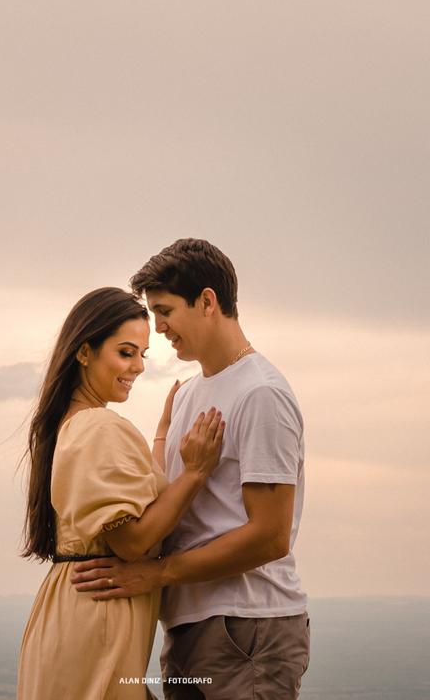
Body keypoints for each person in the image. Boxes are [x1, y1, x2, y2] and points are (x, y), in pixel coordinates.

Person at [71, 240, 309, 700]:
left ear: (207, 301)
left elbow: (271, 536)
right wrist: (162, 434)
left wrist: (155, 575)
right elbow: (164, 498)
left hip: (248, 628)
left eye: (165, 311)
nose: (158, 329)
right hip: (187, 625)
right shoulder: (187, 395)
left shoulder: (260, 393)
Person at [17, 286, 226, 700]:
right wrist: (196, 473)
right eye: (125, 352)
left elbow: (138, 492)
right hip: (97, 618)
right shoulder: (99, 427)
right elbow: (130, 541)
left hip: (75, 613)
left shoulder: (76, 425)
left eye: (143, 355)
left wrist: (164, 431)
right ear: (84, 353)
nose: (138, 367)